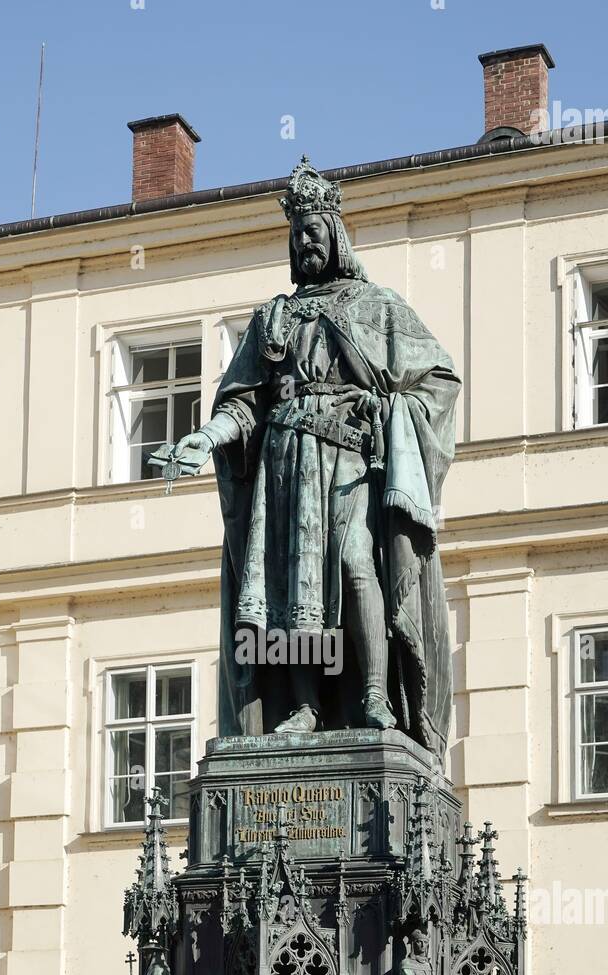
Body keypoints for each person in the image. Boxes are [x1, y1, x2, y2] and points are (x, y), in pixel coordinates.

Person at [165, 156, 460, 760]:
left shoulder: (379, 308)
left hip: (351, 463)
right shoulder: (272, 317)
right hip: (283, 470)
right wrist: (210, 437)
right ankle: (302, 704)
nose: (302, 243)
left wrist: (391, 411)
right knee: (289, 588)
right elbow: (245, 402)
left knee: (358, 568)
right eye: (295, 233)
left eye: (312, 231)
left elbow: (439, 381)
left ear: (336, 234)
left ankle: (375, 696)